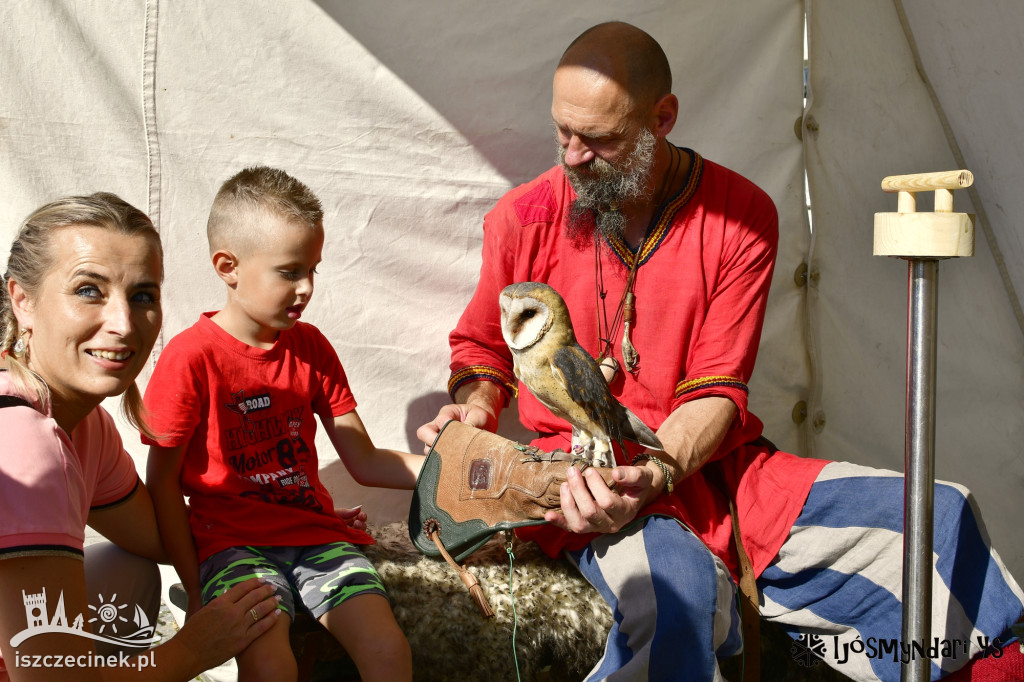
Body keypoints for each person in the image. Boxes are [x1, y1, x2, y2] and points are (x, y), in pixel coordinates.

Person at [418, 21, 1024, 682]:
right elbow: (482, 349)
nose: (572, 156)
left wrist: (655, 473)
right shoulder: (523, 217)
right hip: (589, 484)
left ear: (663, 118)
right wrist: (474, 411)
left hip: (723, 476)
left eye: (599, 139)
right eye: (563, 132)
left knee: (941, 520)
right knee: (680, 601)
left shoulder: (739, 214)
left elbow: (716, 390)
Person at [143, 166, 421, 682]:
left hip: (319, 538)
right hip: (231, 544)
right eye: (290, 271)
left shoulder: (310, 346)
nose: (308, 287)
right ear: (228, 266)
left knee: (388, 651)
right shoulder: (189, 358)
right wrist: (194, 582)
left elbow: (364, 458)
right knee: (271, 665)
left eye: (314, 269)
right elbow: (160, 482)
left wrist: (462, 474)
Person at [0, 193, 282, 682]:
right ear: (23, 301)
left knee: (123, 567)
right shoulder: (24, 440)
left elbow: (159, 538)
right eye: (89, 290)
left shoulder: (87, 427)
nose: (124, 324)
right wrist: (194, 649)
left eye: (143, 295)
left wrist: (293, 513)